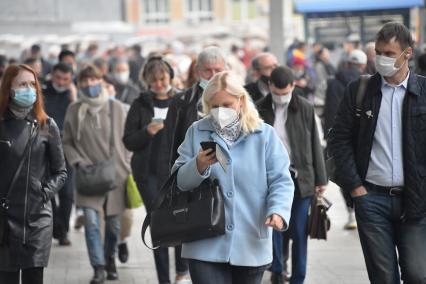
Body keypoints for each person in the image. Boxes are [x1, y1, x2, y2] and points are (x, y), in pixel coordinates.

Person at [172, 71, 294, 284]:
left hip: (250, 241)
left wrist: (278, 211)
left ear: (241, 101)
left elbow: (281, 180)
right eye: (214, 106)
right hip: (203, 241)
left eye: (226, 105)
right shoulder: (196, 131)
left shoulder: (263, 135)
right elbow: (179, 182)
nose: (220, 111)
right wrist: (198, 165)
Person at [328, 22, 426, 283]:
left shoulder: (423, 92)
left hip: (416, 200)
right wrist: (356, 188)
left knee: (418, 274)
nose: (381, 59)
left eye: (389, 54)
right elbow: (338, 140)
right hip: (372, 199)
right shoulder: (360, 91)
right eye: (379, 52)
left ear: (407, 54)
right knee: (383, 278)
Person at [122, 56, 191, 284]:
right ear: (147, 82)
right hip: (148, 173)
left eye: (162, 79)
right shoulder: (140, 103)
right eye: (154, 81)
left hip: (176, 171)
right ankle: (164, 279)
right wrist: (147, 132)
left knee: (180, 219)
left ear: (170, 77)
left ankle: (182, 268)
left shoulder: (181, 101)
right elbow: (128, 140)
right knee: (158, 224)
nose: (159, 84)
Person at [256, 66, 327, 284]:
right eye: (277, 93)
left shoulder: (304, 107)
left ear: (293, 87)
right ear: (270, 87)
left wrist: (320, 179)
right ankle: (277, 269)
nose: (281, 97)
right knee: (275, 226)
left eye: (285, 93)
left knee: (298, 230)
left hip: (301, 177)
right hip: (271, 178)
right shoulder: (259, 109)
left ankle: (298, 277)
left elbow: (315, 142)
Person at [62, 65, 130, 284]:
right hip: (88, 175)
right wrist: (78, 161)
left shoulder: (116, 107)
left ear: (101, 81)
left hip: (115, 176)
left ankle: (109, 257)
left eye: (94, 80)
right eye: (85, 81)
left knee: (113, 227)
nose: (90, 85)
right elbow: (67, 141)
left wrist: (127, 165)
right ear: (79, 83)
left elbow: (128, 141)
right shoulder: (74, 109)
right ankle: (98, 267)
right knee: (91, 223)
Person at [0, 64, 67, 284]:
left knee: (34, 277)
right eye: (22, 84)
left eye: (32, 84)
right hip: (5, 220)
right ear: (9, 88)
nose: (28, 89)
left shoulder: (47, 125)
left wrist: (43, 193)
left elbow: (60, 172)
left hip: (37, 220)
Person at [157, 46, 227, 187]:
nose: (213, 75)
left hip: (227, 174)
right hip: (192, 174)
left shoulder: (238, 98)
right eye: (208, 70)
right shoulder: (182, 101)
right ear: (198, 71)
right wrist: (166, 183)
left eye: (218, 70)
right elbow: (168, 143)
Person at [43, 62, 77, 246]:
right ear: (52, 76)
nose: (61, 82)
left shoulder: (72, 94)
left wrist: (74, 95)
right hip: (45, 149)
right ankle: (57, 227)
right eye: (58, 78)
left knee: (68, 193)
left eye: (66, 79)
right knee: (49, 190)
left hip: (66, 150)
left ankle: (63, 229)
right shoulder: (44, 91)